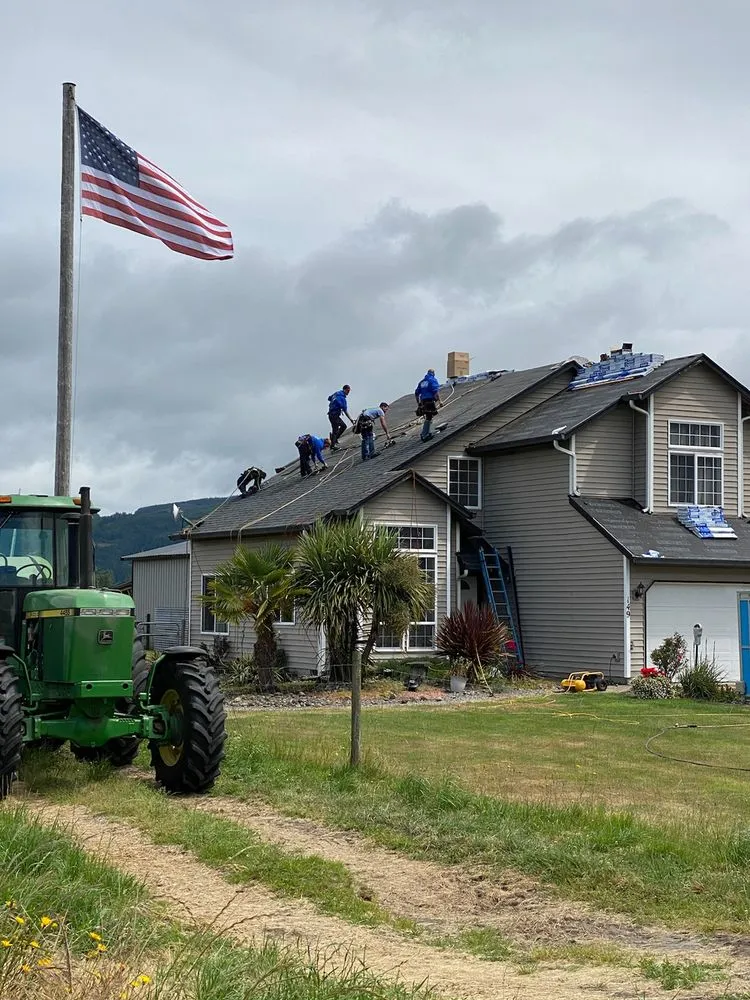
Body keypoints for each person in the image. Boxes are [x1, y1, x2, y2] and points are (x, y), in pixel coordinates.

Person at [415, 368, 442, 442]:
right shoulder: (432, 380)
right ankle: (424, 434)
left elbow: (416, 393)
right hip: (430, 400)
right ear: (433, 373)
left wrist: (419, 404)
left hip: (423, 401)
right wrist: (440, 401)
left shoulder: (422, 382)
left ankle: (429, 432)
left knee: (429, 416)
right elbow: (436, 391)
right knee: (429, 416)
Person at [327, 384, 353, 450]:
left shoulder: (336, 393)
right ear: (344, 390)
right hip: (334, 415)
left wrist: (334, 403)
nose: (348, 392)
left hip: (331, 414)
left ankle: (334, 440)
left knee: (339, 427)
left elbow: (329, 398)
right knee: (338, 428)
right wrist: (351, 419)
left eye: (349, 391)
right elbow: (345, 410)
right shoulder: (342, 398)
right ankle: (333, 445)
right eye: (347, 391)